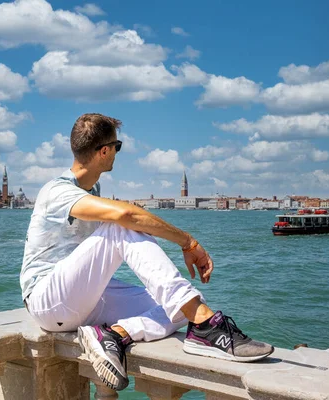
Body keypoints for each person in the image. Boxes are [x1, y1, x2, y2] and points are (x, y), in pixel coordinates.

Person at [20, 113, 274, 391]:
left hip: (83, 300)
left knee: (177, 307)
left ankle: (115, 336)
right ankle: (207, 326)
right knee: (120, 223)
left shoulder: (93, 189)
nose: (117, 153)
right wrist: (188, 242)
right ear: (105, 151)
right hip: (47, 300)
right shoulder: (56, 191)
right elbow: (127, 216)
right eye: (117, 147)